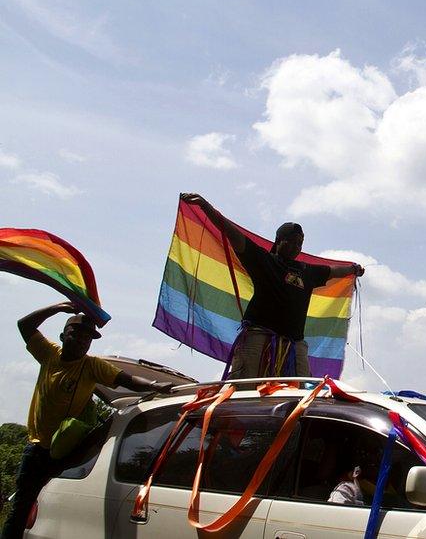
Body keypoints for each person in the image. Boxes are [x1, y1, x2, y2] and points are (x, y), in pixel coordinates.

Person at [2, 302, 173, 539]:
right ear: (63, 336)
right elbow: (25, 325)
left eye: (88, 338)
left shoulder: (92, 366)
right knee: (21, 510)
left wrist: (156, 386)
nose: (82, 340)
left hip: (67, 452)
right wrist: (59, 308)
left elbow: (125, 379)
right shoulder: (49, 354)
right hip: (37, 450)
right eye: (77, 334)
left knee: (57, 508)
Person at [180, 193, 364, 379]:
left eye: (299, 243)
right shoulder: (263, 260)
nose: (296, 246)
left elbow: (334, 271)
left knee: (298, 391)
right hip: (257, 338)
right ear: (278, 241)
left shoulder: (307, 271)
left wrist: (353, 269)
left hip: (294, 346)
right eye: (291, 241)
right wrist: (205, 206)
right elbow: (231, 232)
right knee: (245, 388)